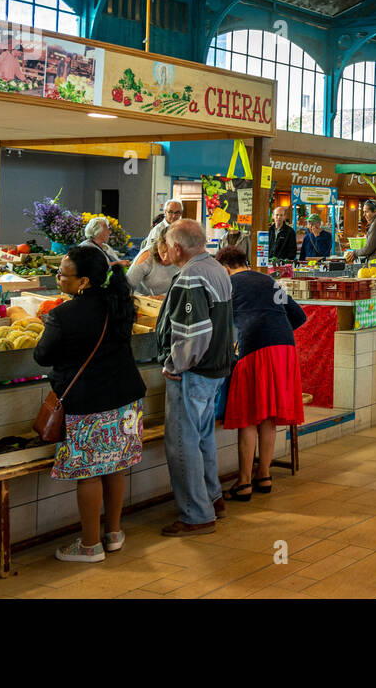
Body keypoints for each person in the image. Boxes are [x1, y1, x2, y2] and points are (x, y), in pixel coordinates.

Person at [33, 246, 146, 562]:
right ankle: (113, 533)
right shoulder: (120, 304)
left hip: (89, 404)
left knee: (90, 473)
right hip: (125, 399)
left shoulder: (63, 315)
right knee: (116, 465)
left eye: (63, 274)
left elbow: (42, 356)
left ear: (83, 281)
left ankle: (89, 545)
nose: (58, 278)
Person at [156, 219, 235, 536]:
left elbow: (194, 333)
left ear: (176, 247)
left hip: (194, 373)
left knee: (182, 444)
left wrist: (176, 365)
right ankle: (213, 498)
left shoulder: (191, 276)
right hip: (216, 369)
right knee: (202, 437)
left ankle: (196, 514)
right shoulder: (217, 268)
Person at [216, 245, 306, 501]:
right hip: (284, 349)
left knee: (248, 416)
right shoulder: (269, 280)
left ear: (224, 268)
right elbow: (298, 316)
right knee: (268, 416)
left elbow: (220, 322)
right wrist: (274, 326)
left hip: (254, 349)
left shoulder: (229, 285)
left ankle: (244, 482)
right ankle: (264, 475)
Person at [126, 223, 180, 295]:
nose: (165, 258)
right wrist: (146, 299)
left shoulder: (186, 258)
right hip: (144, 300)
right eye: (162, 252)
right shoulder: (146, 256)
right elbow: (126, 288)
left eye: (170, 254)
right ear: (158, 246)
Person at [347, 199, 376, 268]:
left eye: (366, 212)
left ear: (374, 212)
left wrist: (355, 253)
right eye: (364, 212)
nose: (364, 215)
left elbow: (369, 248)